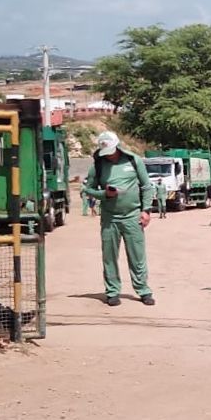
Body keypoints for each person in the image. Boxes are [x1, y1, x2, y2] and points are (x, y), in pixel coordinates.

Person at [81, 130, 156, 307]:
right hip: (110, 218)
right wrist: (104, 194)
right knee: (109, 256)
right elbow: (88, 190)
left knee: (137, 256)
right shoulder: (97, 166)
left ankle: (143, 290)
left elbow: (146, 186)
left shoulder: (133, 160)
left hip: (132, 216)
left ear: (118, 147)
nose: (109, 156)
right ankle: (112, 291)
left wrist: (146, 211)